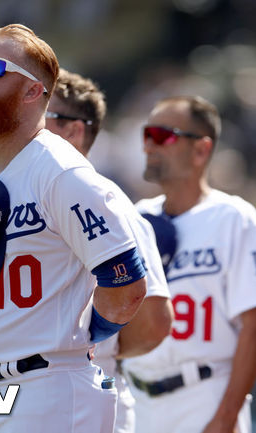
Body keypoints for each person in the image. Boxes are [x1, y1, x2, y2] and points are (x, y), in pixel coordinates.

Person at [0, 24, 147, 433]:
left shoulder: (63, 175)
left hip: (46, 389)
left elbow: (127, 287)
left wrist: (77, 340)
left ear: (34, 92)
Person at [123, 95, 256, 433]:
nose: (149, 145)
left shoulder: (234, 218)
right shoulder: (136, 218)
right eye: (146, 134)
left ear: (201, 150)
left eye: (163, 135)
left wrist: (226, 417)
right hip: (138, 400)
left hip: (204, 394)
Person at [45, 67, 174, 433]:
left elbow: (152, 323)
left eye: (43, 117)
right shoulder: (17, 195)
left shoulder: (111, 205)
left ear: (73, 130)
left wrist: (91, 346)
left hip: (84, 399)